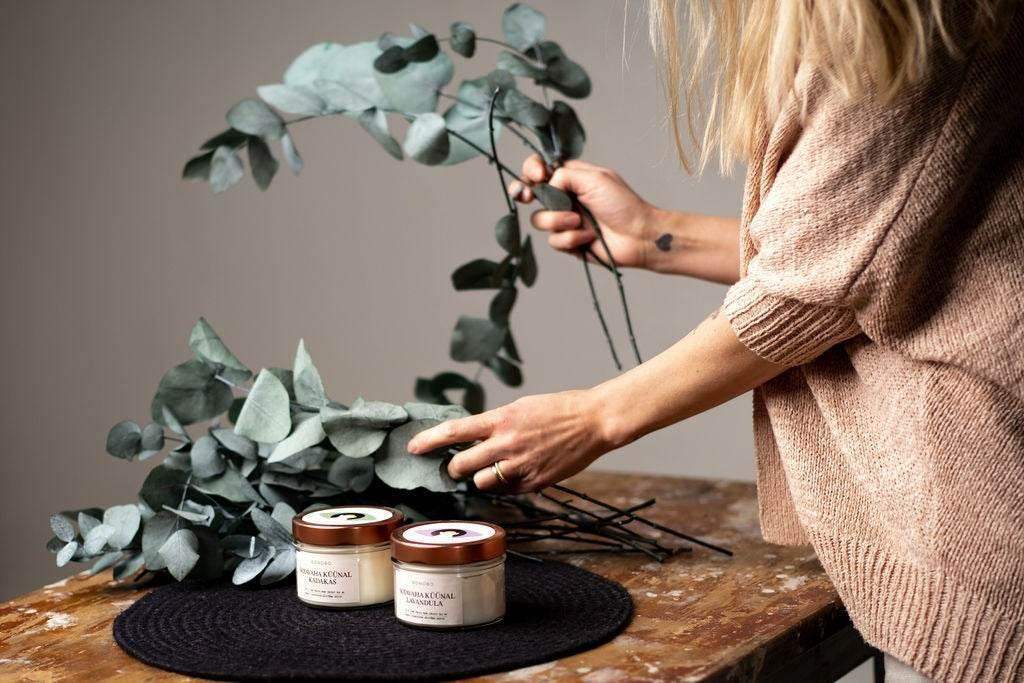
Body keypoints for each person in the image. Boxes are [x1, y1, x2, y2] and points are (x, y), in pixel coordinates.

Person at [409, 1, 1023, 680]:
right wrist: (653, 235)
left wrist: (594, 417)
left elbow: (818, 285)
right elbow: (893, 249)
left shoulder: (923, 21)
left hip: (983, 514)